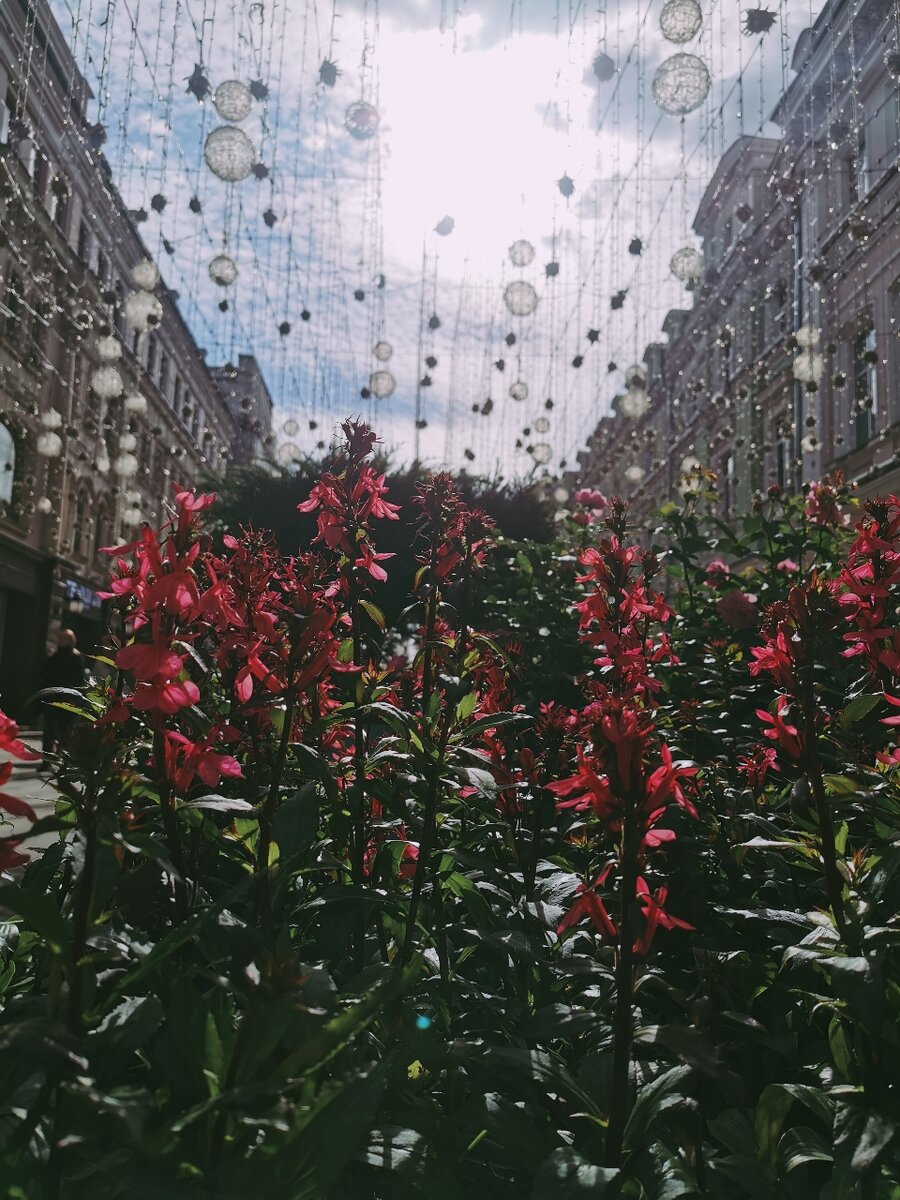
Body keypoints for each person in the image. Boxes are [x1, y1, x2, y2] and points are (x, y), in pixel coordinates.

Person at [41, 628, 86, 754]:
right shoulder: (55, 656)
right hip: (52, 697)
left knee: (65, 729)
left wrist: (75, 698)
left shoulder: (76, 657)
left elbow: (78, 679)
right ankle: (47, 757)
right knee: (49, 729)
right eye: (60, 638)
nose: (60, 640)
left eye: (64, 638)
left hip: (67, 698)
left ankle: (62, 755)